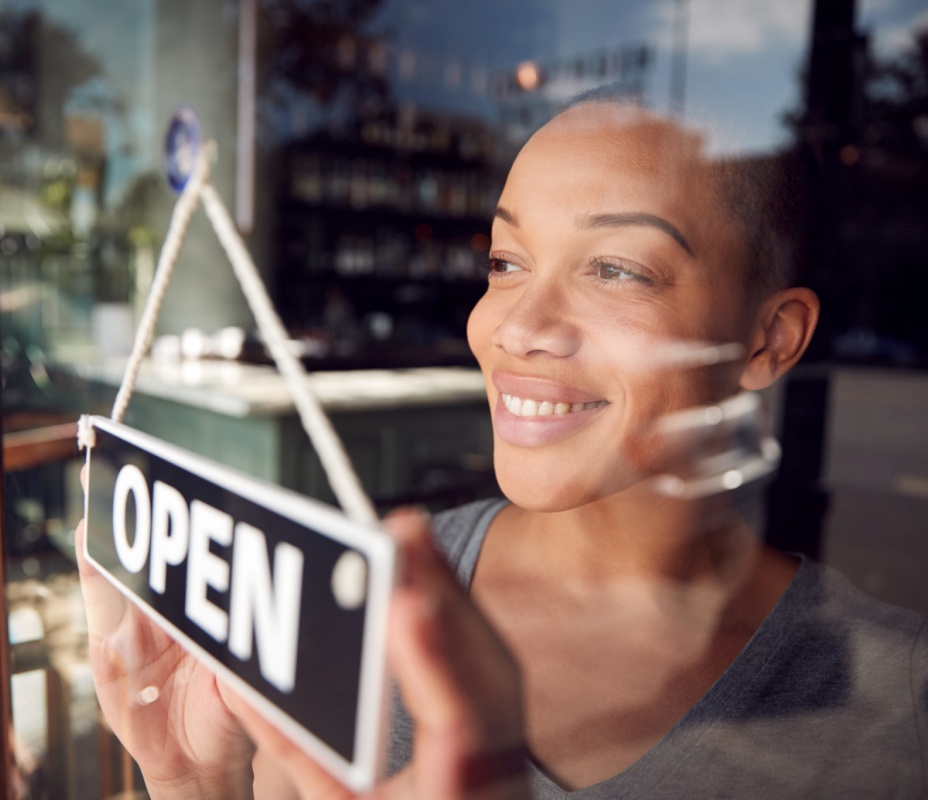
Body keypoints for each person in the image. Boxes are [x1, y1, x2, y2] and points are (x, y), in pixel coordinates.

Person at [76, 99, 928, 799]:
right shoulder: (357, 599)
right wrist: (193, 783)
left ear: (769, 339)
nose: (513, 327)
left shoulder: (898, 708)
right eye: (506, 260)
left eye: (616, 270)